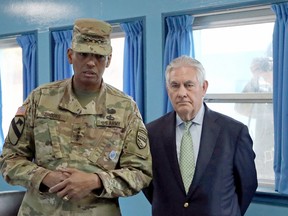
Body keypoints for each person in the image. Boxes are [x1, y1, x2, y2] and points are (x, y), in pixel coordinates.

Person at [0, 18, 152, 216]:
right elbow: (9, 159)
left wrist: (95, 181)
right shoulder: (40, 99)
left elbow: (141, 172)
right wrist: (45, 176)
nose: (90, 62)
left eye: (98, 56)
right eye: (83, 54)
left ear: (109, 60)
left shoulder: (125, 108)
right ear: (70, 55)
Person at [143, 55, 257, 216]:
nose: (182, 92)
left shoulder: (233, 132)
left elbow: (248, 185)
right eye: (175, 85)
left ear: (203, 87)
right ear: (168, 89)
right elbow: (149, 185)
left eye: (189, 85)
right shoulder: (152, 133)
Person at [235, 57, 274, 181]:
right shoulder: (260, 91)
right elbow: (240, 108)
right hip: (263, 154)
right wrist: (255, 79)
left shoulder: (280, 90)